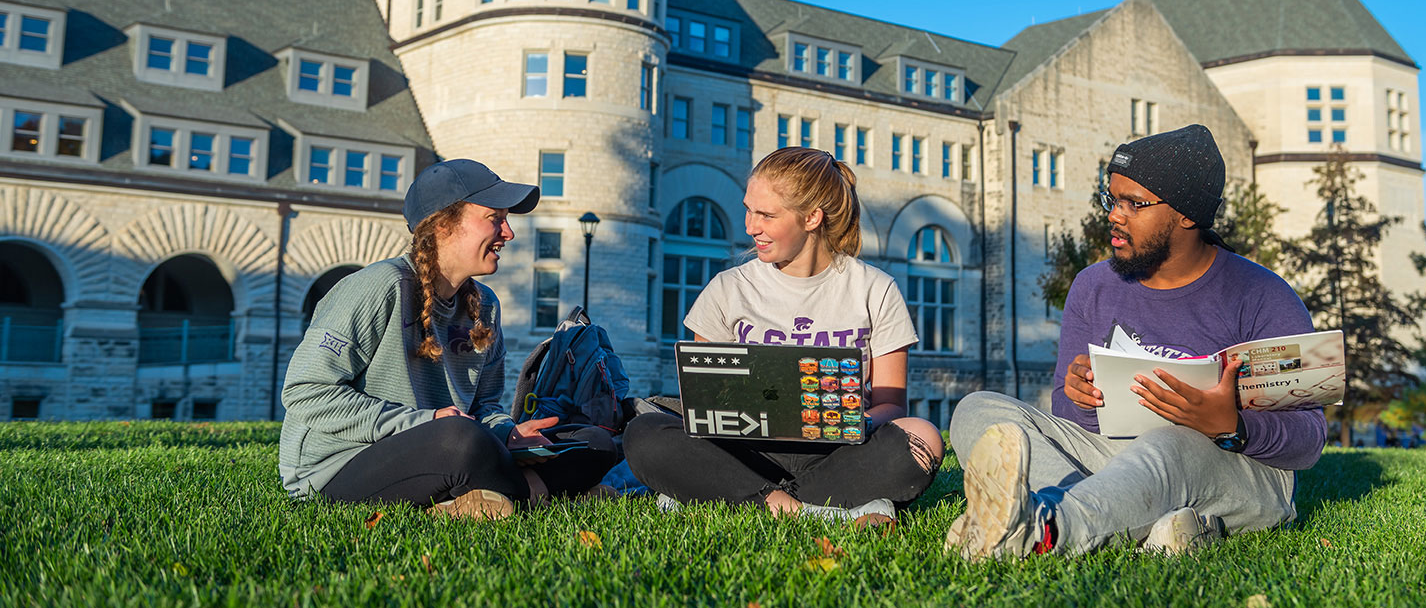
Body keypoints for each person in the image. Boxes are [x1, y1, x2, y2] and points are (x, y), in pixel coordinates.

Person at [946, 124, 1326, 558]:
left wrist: (1231, 425)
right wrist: (1081, 398)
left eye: (1134, 203)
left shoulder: (1263, 295)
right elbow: (1068, 417)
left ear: (1187, 214)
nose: (1114, 214)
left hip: (1233, 470)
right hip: (1117, 460)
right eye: (1112, 199)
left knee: (1171, 442)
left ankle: (1046, 531)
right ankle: (1153, 524)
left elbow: (1308, 439)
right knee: (980, 409)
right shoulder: (1093, 286)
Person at [277, 159, 617, 519]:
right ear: (442, 224)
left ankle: (486, 499)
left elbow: (484, 409)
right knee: (460, 441)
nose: (509, 233)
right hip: (336, 468)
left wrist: (508, 434)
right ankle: (541, 493)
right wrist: (426, 422)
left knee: (593, 444)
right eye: (494, 218)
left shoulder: (485, 306)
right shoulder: (381, 287)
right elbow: (305, 392)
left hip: (447, 449)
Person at [623, 147, 945, 527]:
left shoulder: (875, 289)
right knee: (644, 433)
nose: (750, 226)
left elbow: (892, 406)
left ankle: (731, 496)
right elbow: (702, 400)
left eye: (766, 215)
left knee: (923, 438)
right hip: (746, 448)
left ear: (811, 218)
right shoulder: (728, 289)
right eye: (748, 209)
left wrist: (853, 422)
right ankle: (814, 510)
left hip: (837, 450)